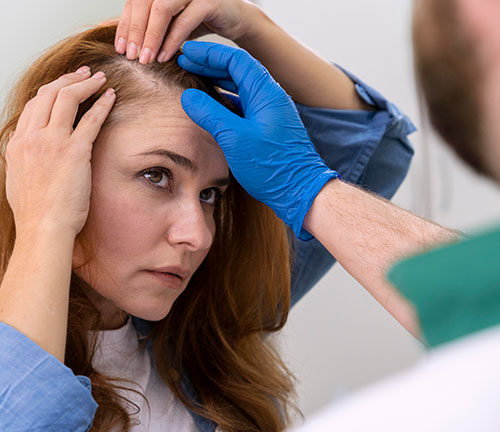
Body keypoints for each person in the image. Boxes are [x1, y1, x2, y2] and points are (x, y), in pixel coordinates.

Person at [0, 4, 415, 432]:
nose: (197, 235)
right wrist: (44, 224)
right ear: (48, 165)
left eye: (210, 194)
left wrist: (253, 28)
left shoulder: (206, 323)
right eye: (156, 176)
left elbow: (369, 158)